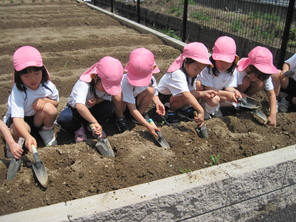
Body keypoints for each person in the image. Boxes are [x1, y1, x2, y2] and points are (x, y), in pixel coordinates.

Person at [57, 56, 127, 142]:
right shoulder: (83, 84)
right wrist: (94, 122)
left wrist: (97, 101)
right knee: (64, 118)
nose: (106, 90)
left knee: (109, 107)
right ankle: (78, 128)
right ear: (95, 76)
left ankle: (91, 127)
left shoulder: (108, 83)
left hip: (93, 109)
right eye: (105, 86)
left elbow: (107, 97)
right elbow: (79, 106)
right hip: (76, 111)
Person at [3, 46, 59, 154]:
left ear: (43, 71)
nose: (33, 79)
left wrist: (44, 100)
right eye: (26, 76)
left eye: (37, 73)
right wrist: (27, 136)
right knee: (18, 129)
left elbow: (56, 103)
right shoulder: (18, 91)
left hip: (37, 120)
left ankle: (45, 132)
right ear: (19, 76)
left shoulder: (47, 85)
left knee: (50, 109)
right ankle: (13, 142)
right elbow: (17, 119)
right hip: (20, 122)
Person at [157, 42, 215, 126]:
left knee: (196, 93)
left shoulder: (190, 73)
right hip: (163, 100)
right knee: (185, 97)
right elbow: (186, 94)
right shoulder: (177, 73)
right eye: (196, 69)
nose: (198, 72)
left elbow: (191, 92)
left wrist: (204, 93)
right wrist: (200, 110)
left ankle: (183, 110)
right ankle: (170, 113)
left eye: (200, 70)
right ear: (186, 61)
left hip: (175, 97)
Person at [121, 47, 165, 137]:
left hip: (136, 101)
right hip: (124, 105)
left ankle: (138, 117)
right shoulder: (125, 81)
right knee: (118, 96)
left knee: (151, 90)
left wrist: (158, 102)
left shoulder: (151, 79)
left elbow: (154, 94)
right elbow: (132, 108)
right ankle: (120, 118)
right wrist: (147, 125)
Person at [197, 36, 241, 119]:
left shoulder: (232, 71)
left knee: (233, 101)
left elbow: (229, 87)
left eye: (227, 62)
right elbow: (208, 89)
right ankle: (204, 109)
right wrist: (228, 94)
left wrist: (235, 92)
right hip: (205, 95)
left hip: (218, 94)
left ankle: (213, 108)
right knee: (215, 99)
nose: (223, 65)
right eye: (220, 61)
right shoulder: (207, 69)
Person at [236, 46, 279, 126]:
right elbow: (230, 89)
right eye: (258, 75)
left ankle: (244, 104)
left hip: (245, 93)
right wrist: (243, 97)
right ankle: (238, 103)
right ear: (249, 68)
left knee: (260, 83)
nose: (260, 78)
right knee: (245, 81)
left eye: (262, 77)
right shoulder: (238, 71)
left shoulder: (263, 75)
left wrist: (273, 115)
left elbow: (271, 94)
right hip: (234, 91)